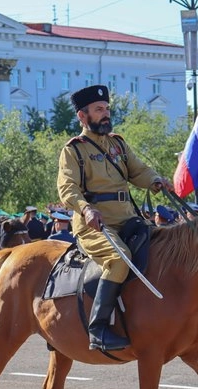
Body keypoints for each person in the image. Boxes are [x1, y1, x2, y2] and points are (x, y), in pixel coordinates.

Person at [57, 84, 173, 351]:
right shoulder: (73, 150)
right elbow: (67, 188)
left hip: (128, 219)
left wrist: (156, 180)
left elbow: (138, 171)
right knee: (119, 260)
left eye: (107, 108)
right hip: (94, 225)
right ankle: (98, 329)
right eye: (99, 110)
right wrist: (85, 209)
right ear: (82, 116)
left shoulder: (118, 143)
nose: (106, 114)